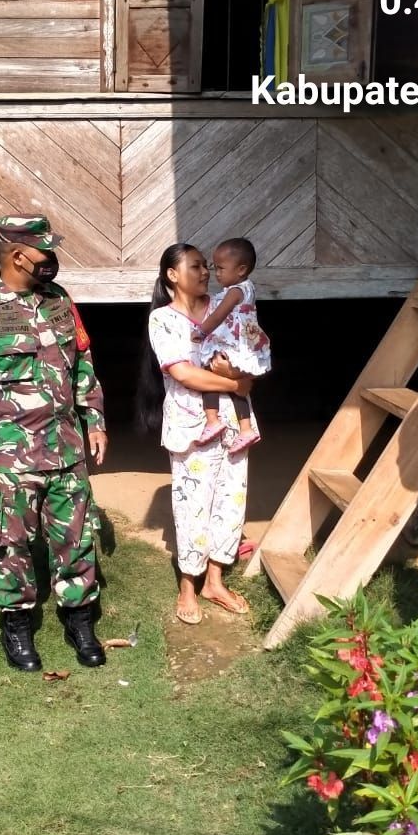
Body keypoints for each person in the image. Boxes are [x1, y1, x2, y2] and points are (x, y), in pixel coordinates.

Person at [0, 214, 108, 671]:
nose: (52, 259)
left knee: (76, 539)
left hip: (66, 448)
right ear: (18, 256)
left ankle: (80, 622)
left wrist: (94, 421)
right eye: (44, 251)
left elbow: (83, 365)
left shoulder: (60, 301)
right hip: (10, 457)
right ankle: (17, 629)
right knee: (12, 545)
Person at [141, 243, 256, 626]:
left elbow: (250, 350)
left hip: (236, 424)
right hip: (193, 426)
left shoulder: (227, 305)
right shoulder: (163, 320)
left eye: (207, 266)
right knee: (193, 505)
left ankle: (215, 581)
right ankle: (188, 585)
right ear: (173, 275)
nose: (205, 272)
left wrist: (244, 379)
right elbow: (183, 373)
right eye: (195, 267)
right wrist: (234, 384)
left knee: (231, 500)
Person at [191, 237, 271, 454]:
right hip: (243, 344)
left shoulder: (235, 291)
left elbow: (219, 315)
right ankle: (246, 429)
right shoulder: (248, 289)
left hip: (232, 343)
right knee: (236, 385)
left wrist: (201, 331)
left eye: (221, 268)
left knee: (210, 375)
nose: (216, 274)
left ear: (241, 269)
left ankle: (212, 420)